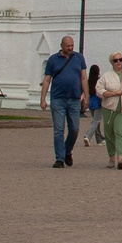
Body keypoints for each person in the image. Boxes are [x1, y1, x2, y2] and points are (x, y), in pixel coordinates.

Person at [39, 36, 88, 168]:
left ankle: (67, 151)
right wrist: (42, 98)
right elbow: (47, 79)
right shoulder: (53, 59)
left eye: (72, 45)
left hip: (74, 99)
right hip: (58, 99)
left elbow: (83, 78)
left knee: (74, 129)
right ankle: (59, 158)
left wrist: (86, 96)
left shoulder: (79, 58)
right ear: (61, 45)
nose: (70, 48)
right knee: (59, 130)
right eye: (67, 46)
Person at [84, 63, 103, 147]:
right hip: (98, 103)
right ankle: (87, 136)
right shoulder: (99, 81)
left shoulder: (88, 81)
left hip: (91, 103)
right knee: (96, 121)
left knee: (96, 122)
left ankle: (99, 140)